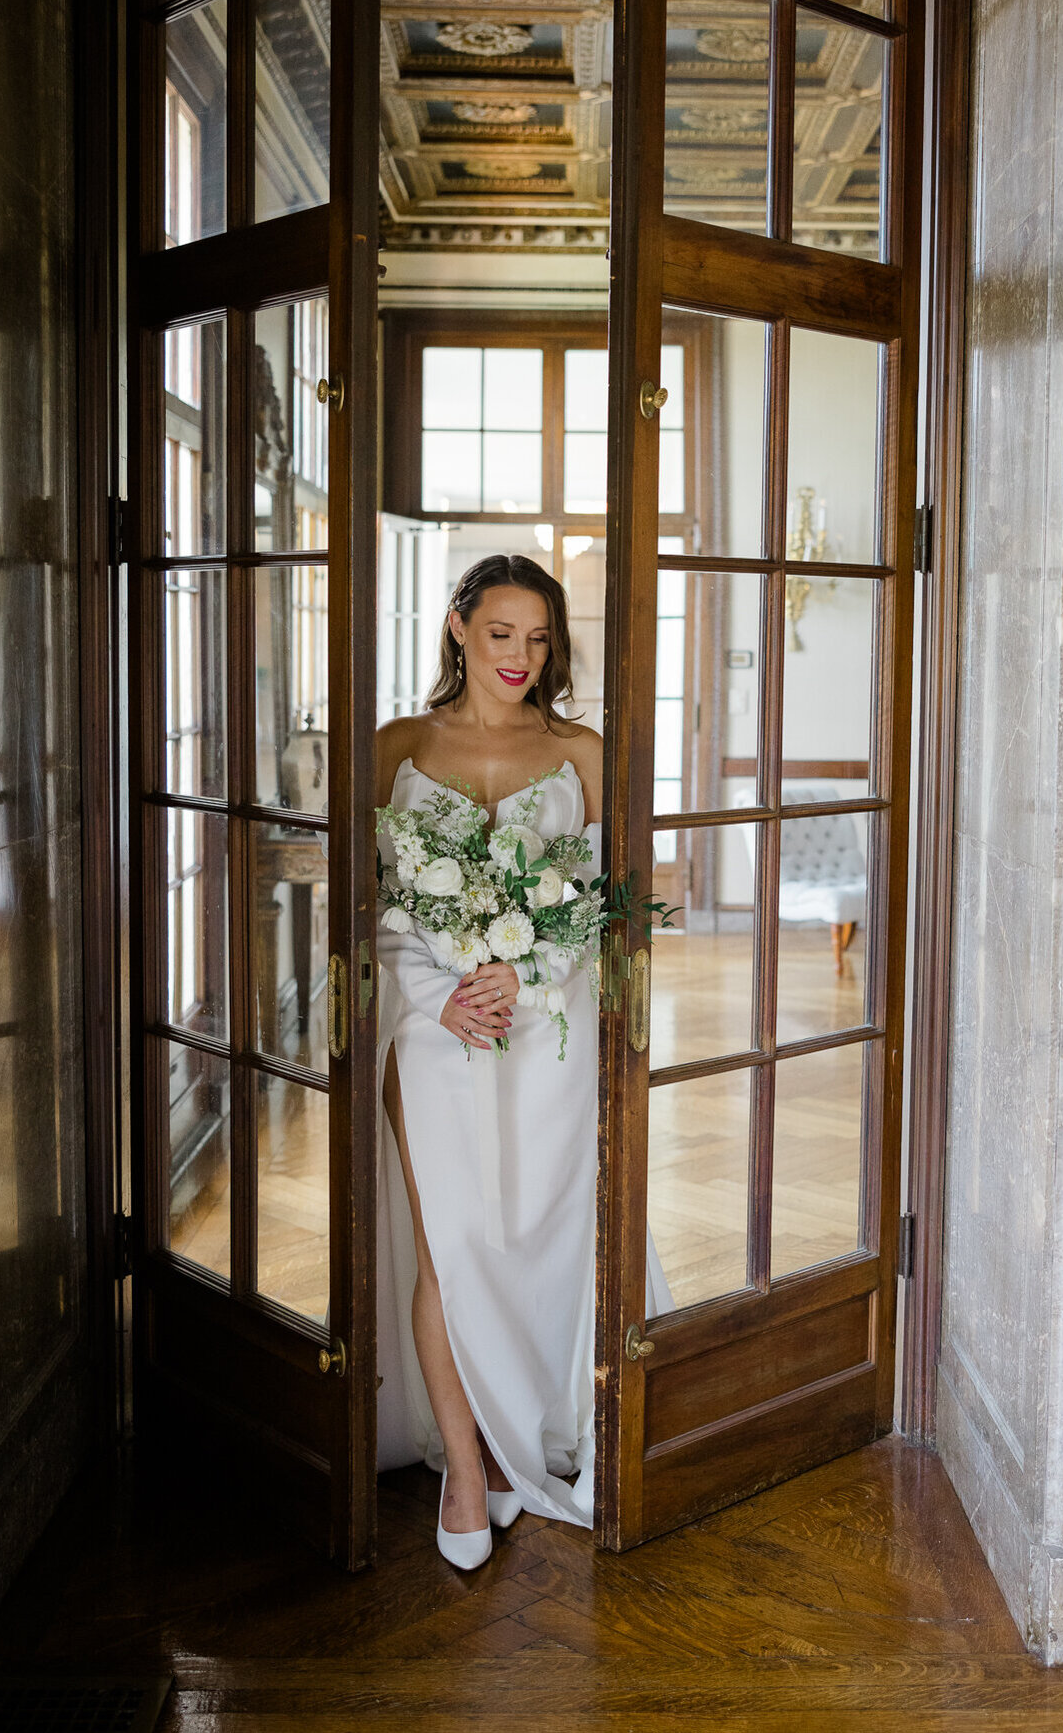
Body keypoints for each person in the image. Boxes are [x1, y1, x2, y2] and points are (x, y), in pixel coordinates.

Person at [373, 553, 671, 1570]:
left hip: (546, 1035)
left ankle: (520, 1442)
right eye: (502, 633)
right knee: (449, 1246)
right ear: (458, 626)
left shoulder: (580, 751)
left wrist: (523, 964)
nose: (521, 657)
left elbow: (608, 907)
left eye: (539, 638)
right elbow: (367, 911)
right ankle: (465, 1463)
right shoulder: (397, 749)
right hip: (432, 1034)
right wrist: (440, 991)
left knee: (540, 1242)